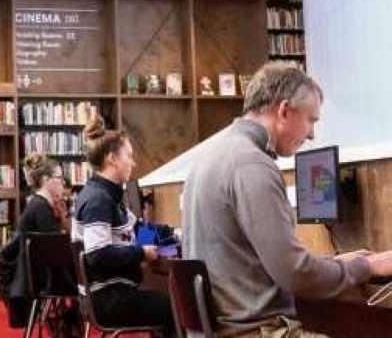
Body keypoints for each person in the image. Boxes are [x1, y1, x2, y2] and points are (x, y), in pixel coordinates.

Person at [181, 62, 392, 338]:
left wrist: (337, 264)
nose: (313, 134)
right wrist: (367, 266)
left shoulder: (208, 158)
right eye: (311, 120)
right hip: (257, 332)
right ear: (283, 111)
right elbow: (295, 275)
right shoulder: (252, 165)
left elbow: (259, 261)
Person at [71, 113, 176, 332]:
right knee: (177, 307)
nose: (133, 162)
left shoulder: (108, 195)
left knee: (170, 301)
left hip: (109, 295)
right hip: (109, 300)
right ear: (112, 159)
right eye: (129, 155)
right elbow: (97, 256)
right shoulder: (98, 200)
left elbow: (137, 230)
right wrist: (142, 253)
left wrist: (174, 234)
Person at [0, 154, 76, 330]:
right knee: (85, 274)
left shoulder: (39, 204)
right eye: (59, 178)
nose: (62, 183)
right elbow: (59, 251)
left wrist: (62, 218)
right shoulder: (41, 209)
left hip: (36, 276)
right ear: (47, 180)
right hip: (42, 279)